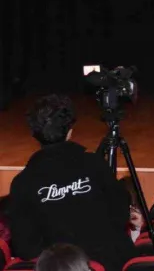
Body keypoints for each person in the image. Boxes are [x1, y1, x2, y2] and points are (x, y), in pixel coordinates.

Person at [8, 95, 136, 271]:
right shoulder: (95, 164)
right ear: (70, 131)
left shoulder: (22, 183)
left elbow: (24, 246)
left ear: (34, 134)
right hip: (110, 263)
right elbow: (120, 214)